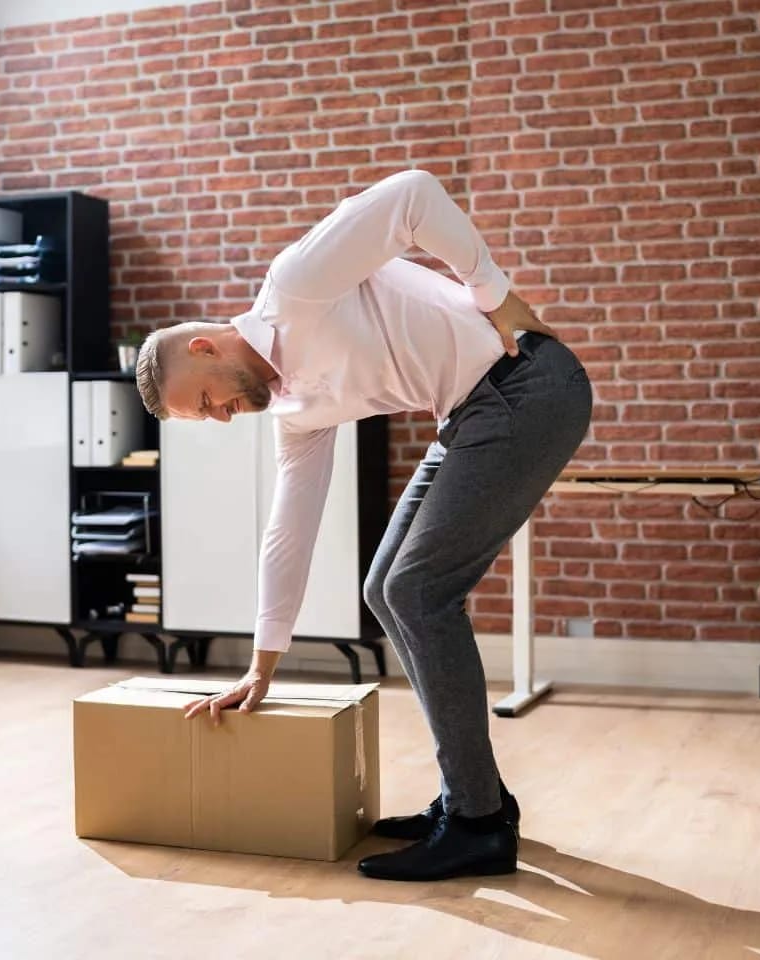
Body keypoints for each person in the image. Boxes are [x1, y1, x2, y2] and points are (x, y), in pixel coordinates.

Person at [134, 168, 593, 881]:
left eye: (209, 401)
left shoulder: (294, 288)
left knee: (418, 592)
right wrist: (263, 664)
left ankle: (476, 825)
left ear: (205, 349)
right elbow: (289, 529)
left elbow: (413, 196)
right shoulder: (296, 413)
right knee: (386, 590)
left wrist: (496, 297)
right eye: (209, 420)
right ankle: (477, 801)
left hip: (524, 385)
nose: (224, 417)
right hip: (471, 414)